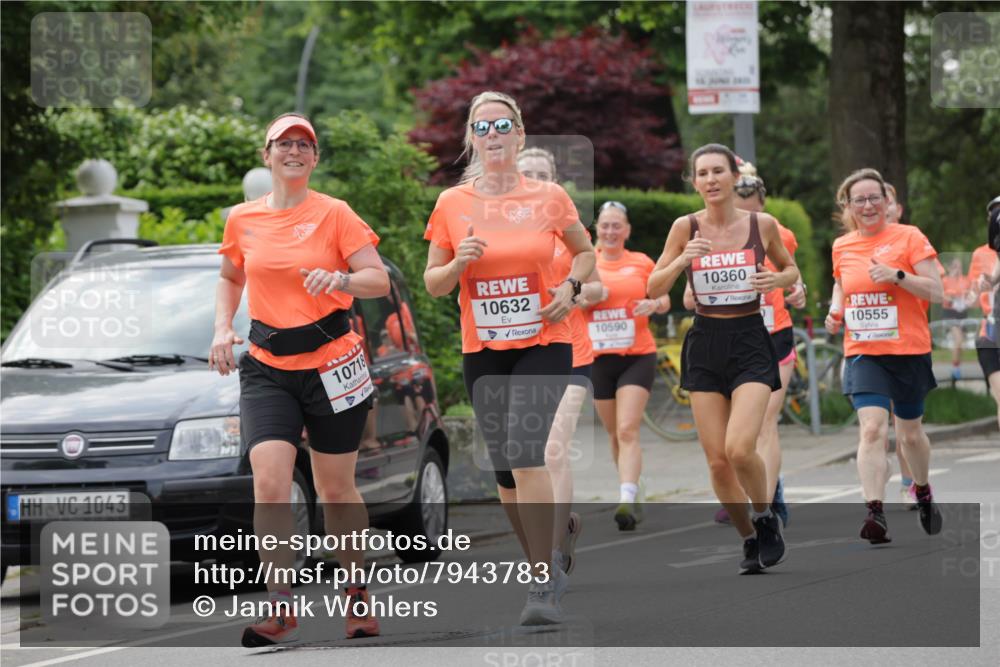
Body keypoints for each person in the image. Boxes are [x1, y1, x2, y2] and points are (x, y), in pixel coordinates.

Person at [212, 113, 390, 646]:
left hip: (332, 363)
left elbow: (377, 280)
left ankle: (356, 593)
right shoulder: (242, 219)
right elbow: (230, 275)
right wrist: (223, 327)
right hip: (267, 366)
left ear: (314, 159)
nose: (294, 151)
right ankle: (281, 605)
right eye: (284, 143)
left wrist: (340, 277)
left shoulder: (335, 214)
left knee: (335, 488)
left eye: (304, 145)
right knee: (269, 480)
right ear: (266, 155)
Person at [424, 92, 595, 624]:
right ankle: (541, 565)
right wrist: (459, 264)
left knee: (526, 453)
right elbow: (433, 284)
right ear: (472, 139)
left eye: (503, 125)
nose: (493, 134)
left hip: (545, 339)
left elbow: (586, 254)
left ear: (520, 135)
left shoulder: (549, 197)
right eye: (483, 127)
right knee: (504, 473)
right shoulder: (452, 204)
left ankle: (542, 583)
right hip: (485, 348)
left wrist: (569, 288)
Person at [648, 143, 798, 574]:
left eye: (718, 171)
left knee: (739, 448)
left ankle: (765, 514)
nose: (711, 180)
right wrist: (681, 260)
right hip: (707, 342)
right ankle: (749, 537)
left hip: (751, 338)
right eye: (702, 173)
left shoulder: (762, 224)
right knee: (716, 459)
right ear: (694, 182)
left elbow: (790, 270)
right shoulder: (685, 227)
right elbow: (652, 287)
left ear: (735, 177)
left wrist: (777, 278)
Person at [825, 168, 944, 545]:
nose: (868, 205)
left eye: (874, 197)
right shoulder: (842, 245)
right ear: (848, 207)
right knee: (873, 428)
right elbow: (841, 284)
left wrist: (898, 276)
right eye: (858, 199)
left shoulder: (909, 237)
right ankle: (874, 511)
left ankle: (922, 490)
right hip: (864, 353)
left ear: (887, 201)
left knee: (909, 435)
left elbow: (937, 292)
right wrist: (835, 310)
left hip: (908, 350)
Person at [688, 162, 805, 528]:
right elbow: (690, 292)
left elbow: (792, 274)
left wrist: (794, 288)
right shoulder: (702, 231)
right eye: (743, 206)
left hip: (771, 334)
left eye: (754, 206)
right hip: (721, 337)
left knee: (764, 424)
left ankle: (767, 501)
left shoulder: (775, 230)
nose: (748, 215)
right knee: (732, 444)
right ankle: (758, 496)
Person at [516, 147, 601, 575]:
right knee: (525, 458)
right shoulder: (503, 229)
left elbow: (598, 287)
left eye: (541, 172)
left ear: (553, 181)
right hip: (520, 352)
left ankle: (550, 552)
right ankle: (559, 526)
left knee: (553, 449)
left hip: (570, 351)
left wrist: (573, 292)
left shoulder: (568, 227)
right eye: (525, 171)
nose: (533, 177)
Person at [586, 200, 669, 530]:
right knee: (613, 433)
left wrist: (654, 303)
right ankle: (632, 485)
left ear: (627, 230)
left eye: (616, 225)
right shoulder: (585, 263)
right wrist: (586, 296)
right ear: (597, 230)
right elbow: (568, 300)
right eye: (605, 225)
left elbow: (663, 298)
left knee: (627, 428)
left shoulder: (641, 262)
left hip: (637, 355)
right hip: (597, 358)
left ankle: (625, 497)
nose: (610, 231)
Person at [970, 196, 1000, 429]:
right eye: (994, 214)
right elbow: (973, 293)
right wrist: (982, 284)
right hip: (990, 330)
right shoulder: (981, 253)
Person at [942, 257, 971, 381]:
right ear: (949, 268)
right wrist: (953, 299)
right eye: (954, 266)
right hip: (950, 313)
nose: (957, 269)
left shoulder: (965, 280)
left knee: (960, 344)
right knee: (958, 340)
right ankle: (955, 368)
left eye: (959, 266)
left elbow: (970, 295)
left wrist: (966, 301)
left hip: (962, 313)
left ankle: (957, 366)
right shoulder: (945, 280)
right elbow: (941, 295)